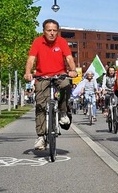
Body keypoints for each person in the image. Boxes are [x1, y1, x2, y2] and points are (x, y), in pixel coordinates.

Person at [24, 19, 78, 150]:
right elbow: (31, 59)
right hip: (42, 76)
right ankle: (41, 137)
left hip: (60, 75)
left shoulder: (62, 42)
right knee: (41, 104)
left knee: (66, 85)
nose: (52, 33)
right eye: (49, 30)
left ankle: (63, 112)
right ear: (44, 31)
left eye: (55, 30)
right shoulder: (38, 41)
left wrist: (73, 70)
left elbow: (69, 58)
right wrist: (27, 72)